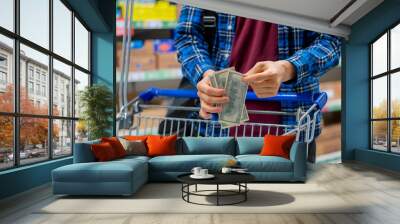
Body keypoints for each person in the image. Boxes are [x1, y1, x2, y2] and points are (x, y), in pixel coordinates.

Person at [174, 6, 341, 162]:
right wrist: (205, 73)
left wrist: (288, 68)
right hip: (218, 128)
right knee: (221, 190)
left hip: (294, 131)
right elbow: (188, 35)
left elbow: (331, 41)